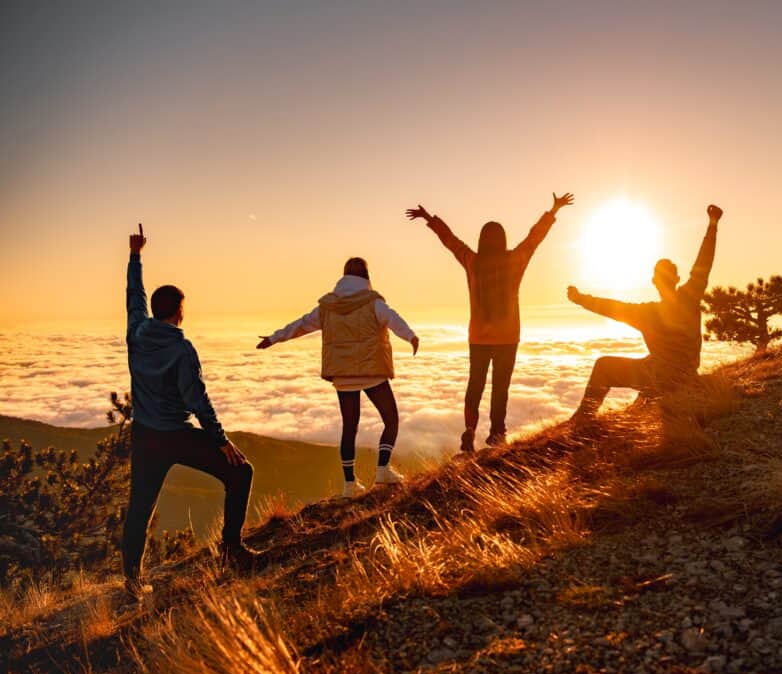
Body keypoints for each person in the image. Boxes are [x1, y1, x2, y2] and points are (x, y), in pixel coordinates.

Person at [123, 224, 259, 601]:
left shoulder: (136, 332)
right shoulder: (183, 350)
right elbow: (198, 401)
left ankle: (132, 582)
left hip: (145, 435)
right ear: (180, 311)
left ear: (155, 310)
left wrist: (136, 256)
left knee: (140, 508)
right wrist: (222, 441)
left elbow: (133, 296)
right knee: (241, 471)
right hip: (176, 435)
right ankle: (232, 551)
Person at [406, 193, 574, 452]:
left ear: (482, 240)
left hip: (479, 337)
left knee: (475, 384)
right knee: (500, 386)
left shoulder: (473, 262)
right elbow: (534, 238)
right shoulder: (514, 261)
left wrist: (430, 219)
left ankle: (470, 430)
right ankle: (497, 432)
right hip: (507, 337)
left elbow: (451, 241)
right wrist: (553, 211)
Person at [257, 258, 418, 498]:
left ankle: (349, 485)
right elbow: (394, 320)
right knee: (391, 419)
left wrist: (273, 338)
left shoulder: (327, 307)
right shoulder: (373, 302)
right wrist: (412, 337)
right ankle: (383, 469)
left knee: (349, 427)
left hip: (343, 376)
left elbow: (300, 325)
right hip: (371, 372)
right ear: (366, 277)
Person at [567, 204, 723, 419]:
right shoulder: (690, 296)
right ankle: (646, 401)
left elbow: (610, 307)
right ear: (677, 279)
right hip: (686, 375)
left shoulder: (646, 313)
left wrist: (579, 298)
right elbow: (704, 262)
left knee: (604, 366)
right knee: (650, 362)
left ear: (654, 281)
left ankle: (583, 419)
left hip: (661, 378)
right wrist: (712, 224)